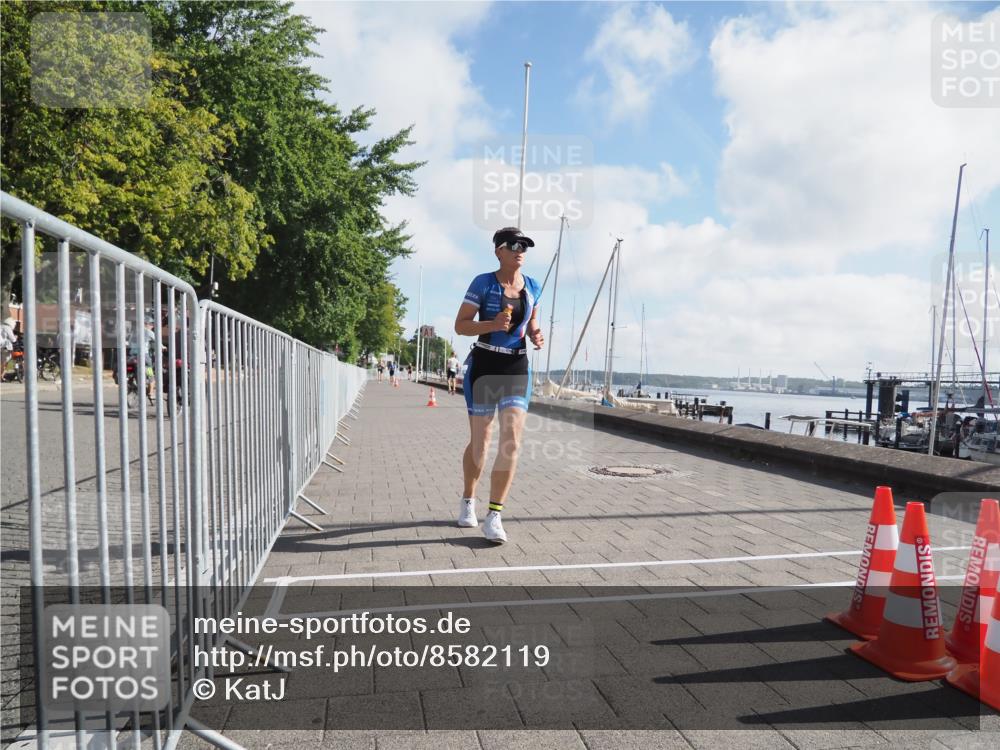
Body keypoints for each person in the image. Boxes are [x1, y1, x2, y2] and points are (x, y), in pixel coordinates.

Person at [453, 227, 544, 544]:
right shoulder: (483, 283)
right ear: (498, 251)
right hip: (485, 364)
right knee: (481, 443)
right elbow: (460, 325)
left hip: (516, 366)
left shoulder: (532, 286)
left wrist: (535, 334)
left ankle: (494, 515)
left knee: (512, 442)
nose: (520, 250)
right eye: (514, 245)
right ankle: (468, 499)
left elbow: (531, 321)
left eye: (525, 246)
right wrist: (491, 324)